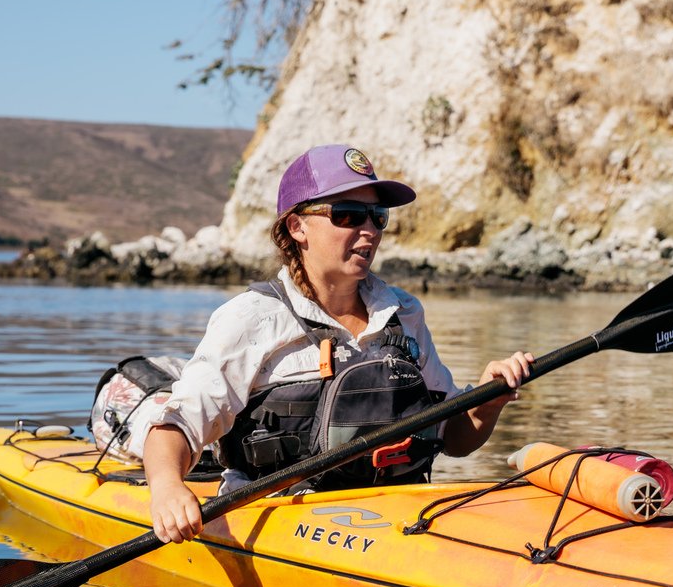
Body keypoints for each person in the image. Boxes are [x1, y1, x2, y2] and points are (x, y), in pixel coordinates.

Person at [134, 144, 533, 544]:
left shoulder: (404, 313)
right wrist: (167, 487)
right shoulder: (251, 318)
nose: (370, 230)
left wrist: (487, 400)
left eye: (378, 217)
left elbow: (453, 437)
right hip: (283, 521)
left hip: (398, 515)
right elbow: (176, 426)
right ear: (297, 227)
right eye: (347, 215)